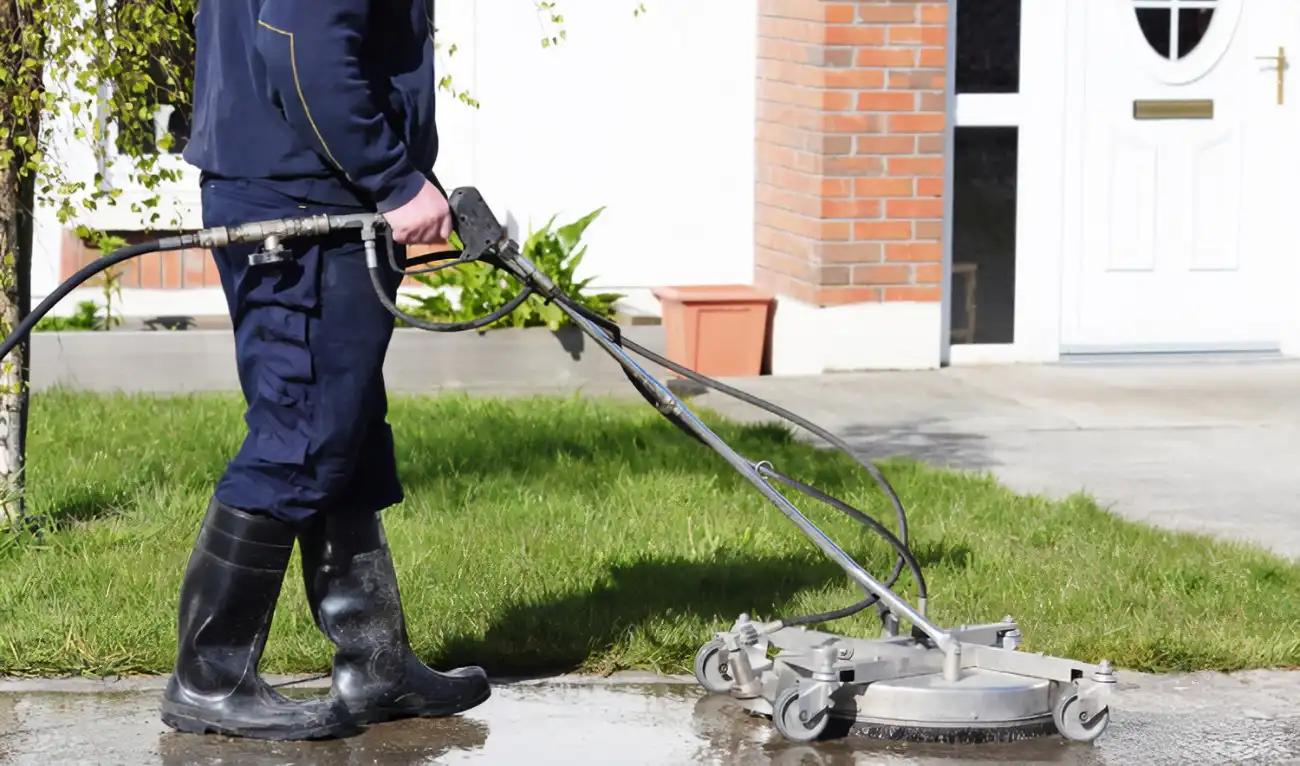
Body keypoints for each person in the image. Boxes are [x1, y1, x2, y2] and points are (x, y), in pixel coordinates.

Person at [162, 0, 489, 741]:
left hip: (306, 188)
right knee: (301, 433)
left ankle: (376, 665)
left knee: (345, 428)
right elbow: (299, 48)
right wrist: (396, 180)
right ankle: (208, 678)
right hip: (303, 203)